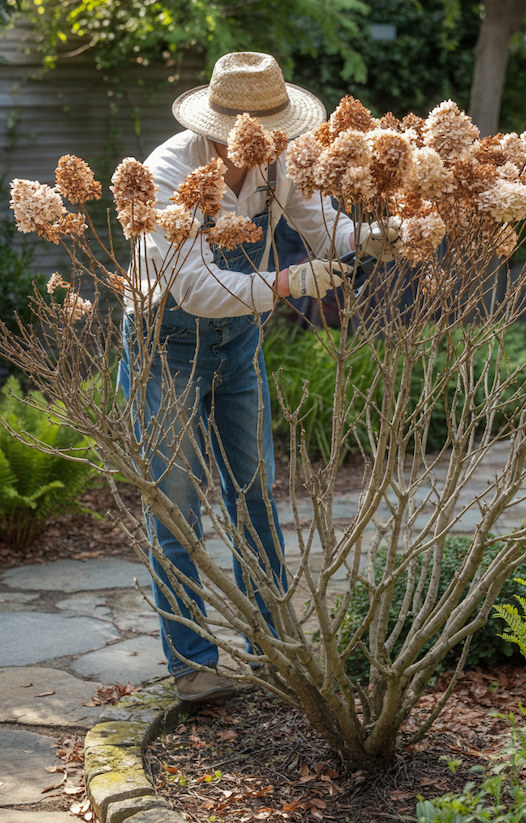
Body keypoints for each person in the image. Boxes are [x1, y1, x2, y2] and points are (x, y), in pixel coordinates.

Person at [120, 52, 386, 705]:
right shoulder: (169, 172)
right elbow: (190, 288)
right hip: (167, 348)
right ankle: (192, 666)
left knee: (255, 496)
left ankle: (276, 650)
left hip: (237, 347)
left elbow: (324, 228)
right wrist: (289, 281)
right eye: (262, 128)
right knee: (177, 510)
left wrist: (381, 234)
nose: (273, 142)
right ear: (217, 122)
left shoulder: (274, 165)